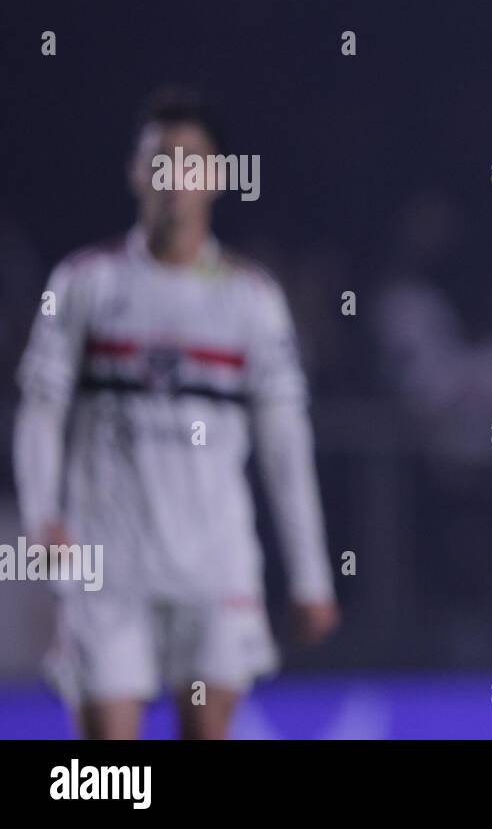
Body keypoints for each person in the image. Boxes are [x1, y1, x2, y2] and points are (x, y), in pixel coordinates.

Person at [14, 89, 339, 739]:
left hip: (214, 564)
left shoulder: (251, 299)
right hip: (107, 560)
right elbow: (40, 410)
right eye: (158, 162)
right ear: (136, 173)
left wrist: (311, 574)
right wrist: (40, 518)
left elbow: (284, 443)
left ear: (218, 177)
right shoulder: (84, 282)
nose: (173, 178)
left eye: (190, 162)